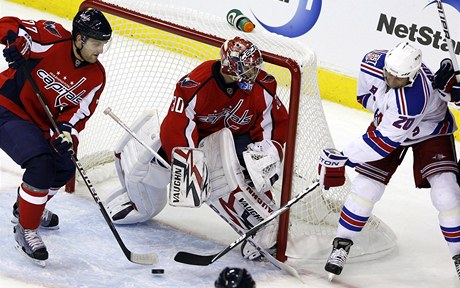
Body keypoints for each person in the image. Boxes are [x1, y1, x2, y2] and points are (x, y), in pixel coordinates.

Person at [105, 36, 289, 260]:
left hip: (237, 139)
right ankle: (137, 200)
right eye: (248, 69)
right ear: (231, 67)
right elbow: (177, 124)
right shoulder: (196, 84)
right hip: (198, 138)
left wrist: (268, 151)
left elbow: (275, 123)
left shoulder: (263, 86)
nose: (254, 74)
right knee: (154, 171)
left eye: (254, 68)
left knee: (246, 173)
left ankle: (263, 226)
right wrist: (191, 162)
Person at [318, 41, 460, 279]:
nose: (392, 81)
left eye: (399, 79)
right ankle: (341, 244)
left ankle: (458, 254)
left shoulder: (414, 99)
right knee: (365, 189)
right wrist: (386, 107)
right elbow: (363, 96)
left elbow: (382, 145)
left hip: (430, 131)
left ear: (412, 76)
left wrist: (344, 157)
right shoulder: (371, 61)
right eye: (389, 74)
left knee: (447, 194)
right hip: (390, 126)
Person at [0, 9, 112, 265]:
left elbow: (79, 112)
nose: (100, 51)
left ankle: (27, 207)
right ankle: (26, 228)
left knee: (64, 165)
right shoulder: (50, 39)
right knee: (40, 164)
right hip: (8, 106)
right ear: (80, 39)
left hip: (41, 123)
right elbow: (9, 25)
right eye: (96, 43)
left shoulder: (96, 76)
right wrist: (13, 43)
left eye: (103, 44)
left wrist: (65, 132)